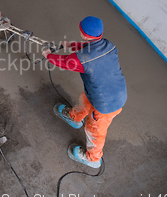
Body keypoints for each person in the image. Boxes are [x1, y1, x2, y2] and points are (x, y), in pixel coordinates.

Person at [42, 16, 127, 168]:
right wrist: (70, 45)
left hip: (107, 104)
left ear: (83, 33)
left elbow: (66, 62)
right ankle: (74, 117)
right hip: (109, 89)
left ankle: (93, 158)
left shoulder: (81, 59)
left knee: (94, 129)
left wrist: (49, 56)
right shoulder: (108, 44)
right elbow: (88, 48)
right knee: (85, 99)